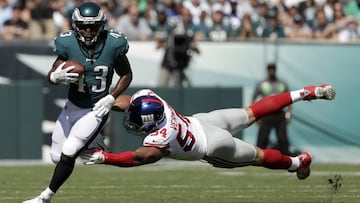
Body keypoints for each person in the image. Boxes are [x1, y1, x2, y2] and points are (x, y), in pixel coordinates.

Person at [82, 84, 336, 181]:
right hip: (205, 122)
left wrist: (107, 158)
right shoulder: (151, 99)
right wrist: (109, 102)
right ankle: (303, 93)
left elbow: (140, 157)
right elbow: (131, 102)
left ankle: (296, 162)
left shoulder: (158, 138)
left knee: (257, 156)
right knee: (252, 111)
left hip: (212, 145)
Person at [23, 2, 132, 203]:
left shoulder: (114, 43)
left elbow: (126, 74)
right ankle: (93, 143)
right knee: (57, 157)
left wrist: (111, 97)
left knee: (69, 152)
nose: (88, 31)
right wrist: (54, 77)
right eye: (83, 26)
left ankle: (44, 197)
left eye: (92, 26)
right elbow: (52, 72)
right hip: (71, 106)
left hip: (96, 109)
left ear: (101, 25)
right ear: (75, 25)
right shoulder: (67, 43)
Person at [252, 63, 294, 156]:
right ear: (267, 71)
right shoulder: (262, 84)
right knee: (262, 139)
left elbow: (289, 99)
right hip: (266, 114)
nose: (271, 71)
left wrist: (288, 113)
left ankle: (286, 159)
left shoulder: (282, 83)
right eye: (270, 69)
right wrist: (256, 115)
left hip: (279, 115)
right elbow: (254, 98)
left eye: (273, 69)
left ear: (275, 70)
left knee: (282, 138)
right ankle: (258, 158)